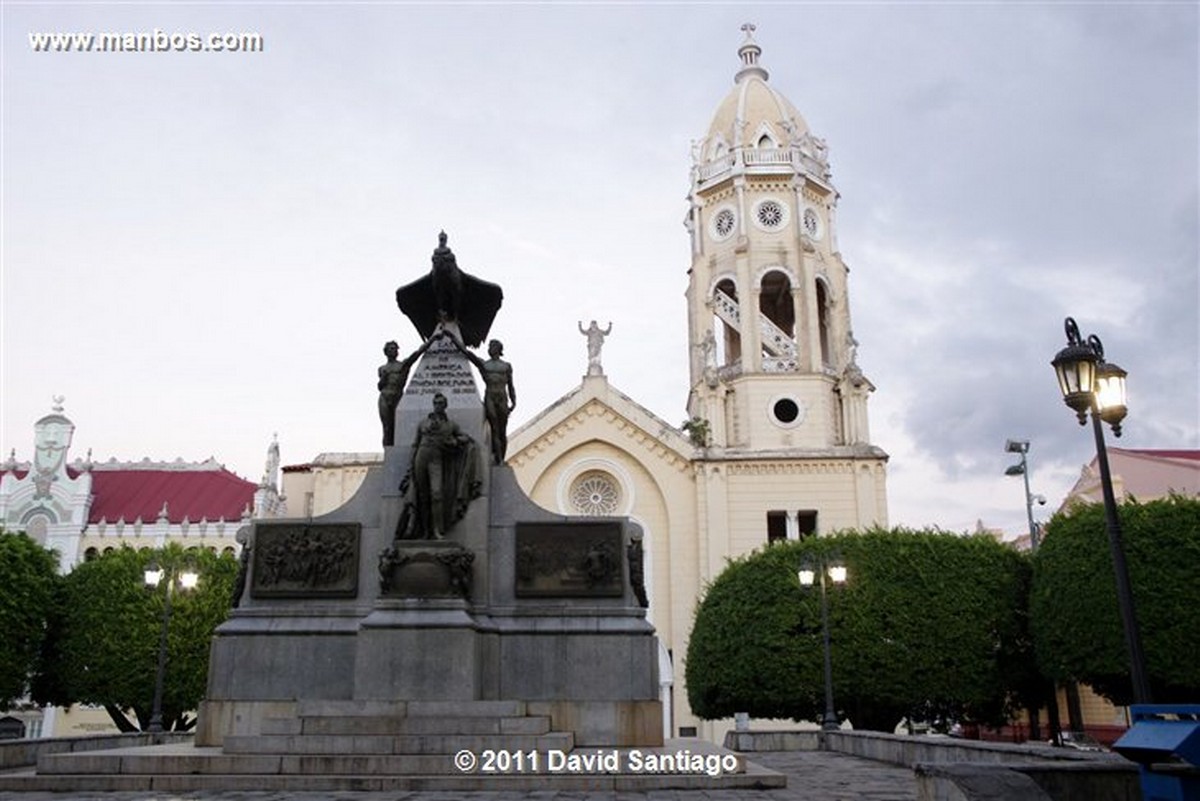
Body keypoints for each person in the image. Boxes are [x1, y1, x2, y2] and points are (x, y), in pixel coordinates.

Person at [409, 392, 479, 539]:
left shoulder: (451, 425)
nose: (437, 406)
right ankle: (425, 531)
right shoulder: (423, 423)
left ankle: (438, 530)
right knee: (422, 496)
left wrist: (455, 441)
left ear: (445, 406)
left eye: (440, 404)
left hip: (436, 459)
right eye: (435, 403)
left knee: (436, 494)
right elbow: (415, 444)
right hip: (421, 457)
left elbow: (464, 437)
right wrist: (411, 464)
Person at [448, 335, 516, 465]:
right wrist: (454, 338)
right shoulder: (484, 365)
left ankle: (501, 457)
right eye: (489, 346)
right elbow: (467, 353)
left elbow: (511, 385)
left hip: (502, 398)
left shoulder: (506, 366)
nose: (489, 349)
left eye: (492, 346)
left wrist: (513, 402)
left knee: (502, 431)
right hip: (490, 396)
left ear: (498, 349)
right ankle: (499, 459)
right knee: (495, 429)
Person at [377, 337, 435, 446]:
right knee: (387, 427)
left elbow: (417, 354)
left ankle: (396, 449)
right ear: (386, 352)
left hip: (398, 396)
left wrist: (431, 341)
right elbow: (380, 386)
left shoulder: (402, 365)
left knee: (398, 426)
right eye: (390, 349)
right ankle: (388, 454)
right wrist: (383, 378)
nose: (392, 351)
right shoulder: (382, 368)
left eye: (394, 349)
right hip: (384, 397)